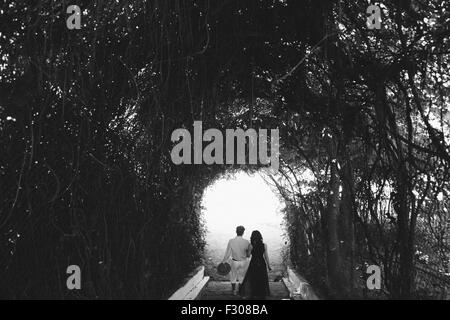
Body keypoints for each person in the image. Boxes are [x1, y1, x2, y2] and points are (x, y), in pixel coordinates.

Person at [239, 230, 271, 299]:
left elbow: (248, 255)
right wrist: (269, 266)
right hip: (262, 263)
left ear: (252, 237)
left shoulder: (251, 245)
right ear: (260, 237)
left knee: (253, 278)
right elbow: (266, 256)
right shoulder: (264, 245)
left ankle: (254, 293)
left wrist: (247, 250)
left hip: (254, 263)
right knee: (262, 278)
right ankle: (261, 294)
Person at [221, 226, 250, 295]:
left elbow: (227, 253)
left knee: (233, 276)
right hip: (243, 262)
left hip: (234, 261)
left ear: (236, 231)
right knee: (242, 276)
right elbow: (248, 254)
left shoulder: (231, 241)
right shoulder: (246, 242)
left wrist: (223, 261)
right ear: (243, 232)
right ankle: (240, 290)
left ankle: (234, 291)